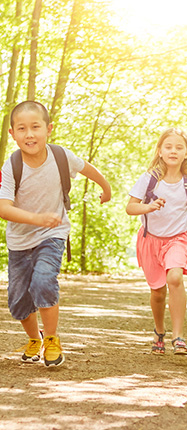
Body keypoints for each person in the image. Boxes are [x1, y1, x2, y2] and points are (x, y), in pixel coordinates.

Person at [0, 101, 111, 368]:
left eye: (36, 127)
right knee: (18, 302)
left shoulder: (61, 156)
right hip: (19, 241)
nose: (30, 134)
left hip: (53, 234)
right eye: (22, 129)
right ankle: (34, 340)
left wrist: (105, 187)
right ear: (13, 134)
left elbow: (87, 168)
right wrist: (36, 218)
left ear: (48, 129)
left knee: (43, 281)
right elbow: (3, 208)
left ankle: (51, 339)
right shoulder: (11, 166)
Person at [126, 128, 187, 355]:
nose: (173, 151)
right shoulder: (149, 180)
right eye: (168, 146)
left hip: (179, 239)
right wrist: (148, 206)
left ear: (186, 153)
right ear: (160, 151)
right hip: (150, 240)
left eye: (179, 147)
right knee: (158, 292)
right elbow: (130, 207)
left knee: (175, 276)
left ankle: (178, 336)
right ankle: (159, 331)